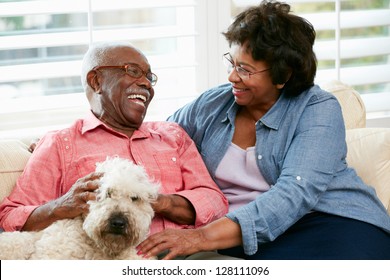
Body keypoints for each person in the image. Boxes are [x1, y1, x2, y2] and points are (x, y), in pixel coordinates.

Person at [137, 0, 390, 260]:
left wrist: (201, 237)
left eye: (245, 69)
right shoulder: (212, 104)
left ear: (284, 76)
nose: (232, 77)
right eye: (232, 63)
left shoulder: (317, 109)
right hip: (240, 236)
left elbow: (294, 193)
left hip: (328, 223)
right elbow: (159, 143)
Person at [0, 42, 228, 237]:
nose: (146, 84)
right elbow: (10, 216)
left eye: (149, 77)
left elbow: (216, 201)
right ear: (96, 80)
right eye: (133, 71)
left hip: (186, 256)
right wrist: (60, 206)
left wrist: (158, 201)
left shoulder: (172, 136)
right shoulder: (61, 144)